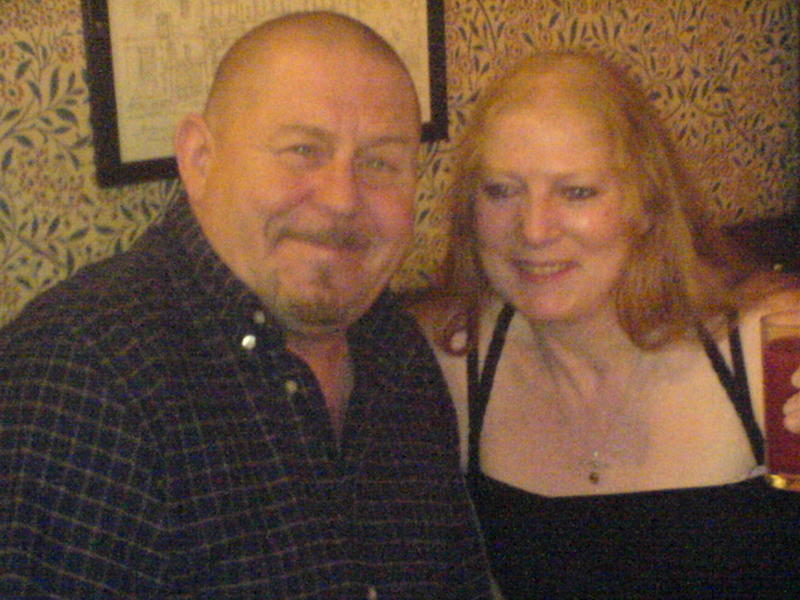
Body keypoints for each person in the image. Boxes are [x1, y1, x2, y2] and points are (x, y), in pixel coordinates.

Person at [0, 12, 493, 599]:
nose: (342, 198)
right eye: (303, 150)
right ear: (200, 158)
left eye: (380, 162)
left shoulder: (394, 347)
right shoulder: (84, 382)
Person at [412, 50, 800, 598]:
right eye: (501, 190)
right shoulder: (452, 363)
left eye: (577, 192)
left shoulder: (771, 348)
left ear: (646, 203)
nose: (534, 229)